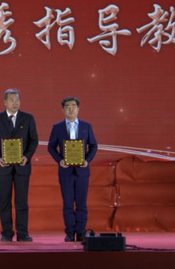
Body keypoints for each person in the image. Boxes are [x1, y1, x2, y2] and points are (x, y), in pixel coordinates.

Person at [0, 88, 38, 242]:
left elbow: (34, 140)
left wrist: (27, 157)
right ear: (5, 102)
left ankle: (22, 233)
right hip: (3, 167)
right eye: (11, 100)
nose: (15, 103)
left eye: (17, 100)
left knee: (22, 202)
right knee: (4, 202)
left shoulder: (28, 118)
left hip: (22, 166)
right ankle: (6, 233)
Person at [47, 96, 98, 242]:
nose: (71, 109)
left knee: (81, 203)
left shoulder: (86, 126)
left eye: (73, 106)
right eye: (67, 106)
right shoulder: (57, 127)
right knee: (68, 203)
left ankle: (81, 231)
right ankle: (70, 232)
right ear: (63, 110)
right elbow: (51, 147)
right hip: (66, 171)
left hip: (82, 171)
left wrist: (87, 160)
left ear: (78, 109)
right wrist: (60, 160)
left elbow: (94, 146)